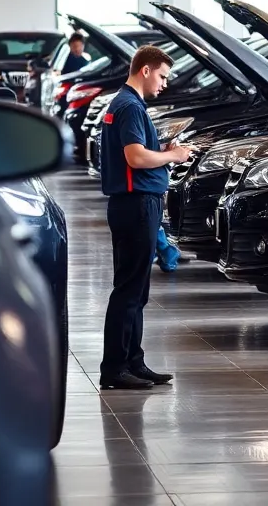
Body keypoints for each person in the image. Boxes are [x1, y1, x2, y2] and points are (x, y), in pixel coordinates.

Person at [98, 45, 192, 390]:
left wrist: (163, 152)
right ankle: (115, 368)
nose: (164, 84)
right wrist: (174, 156)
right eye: (163, 76)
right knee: (128, 289)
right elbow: (136, 158)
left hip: (136, 204)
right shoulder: (130, 107)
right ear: (146, 70)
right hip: (136, 205)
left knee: (137, 291)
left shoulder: (126, 105)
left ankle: (132, 361)